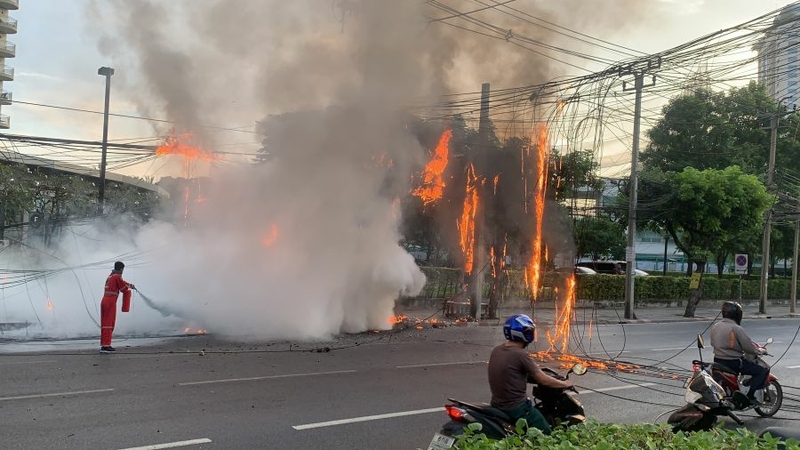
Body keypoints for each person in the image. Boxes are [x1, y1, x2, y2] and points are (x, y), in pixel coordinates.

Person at [487, 314, 573, 435]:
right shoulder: (520, 355)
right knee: (546, 434)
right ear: (524, 333)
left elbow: (509, 373)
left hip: (496, 404)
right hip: (517, 408)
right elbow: (543, 379)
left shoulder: (497, 350)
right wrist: (564, 383)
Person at [709, 301, 769, 404]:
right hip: (734, 362)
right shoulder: (736, 328)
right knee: (762, 371)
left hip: (718, 360)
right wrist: (760, 351)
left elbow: (712, 342)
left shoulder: (715, 326)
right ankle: (750, 396)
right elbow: (748, 348)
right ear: (737, 314)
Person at [100, 261, 136, 353]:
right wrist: (128, 289)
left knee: (105, 324)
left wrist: (129, 285)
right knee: (109, 324)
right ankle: (106, 346)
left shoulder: (111, 276)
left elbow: (122, 283)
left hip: (104, 301)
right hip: (110, 302)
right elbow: (123, 288)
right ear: (121, 269)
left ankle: (104, 344)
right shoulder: (117, 276)